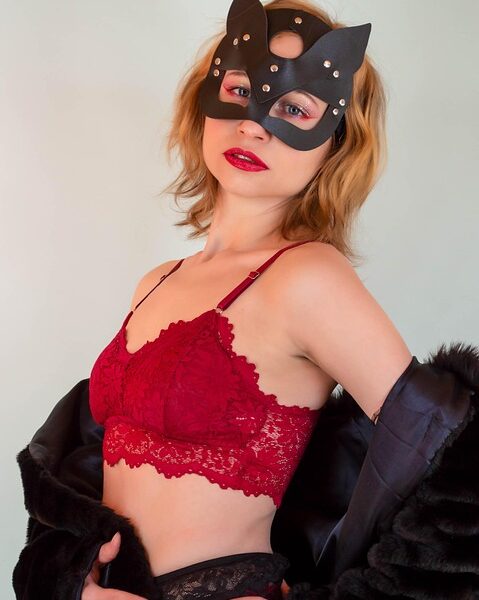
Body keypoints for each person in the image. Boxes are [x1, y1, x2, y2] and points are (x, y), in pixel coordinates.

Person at [12, 1, 479, 599]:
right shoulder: (158, 281)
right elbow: (88, 468)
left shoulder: (307, 277)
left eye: (295, 109)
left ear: (335, 145)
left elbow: (450, 446)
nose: (254, 125)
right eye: (240, 89)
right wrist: (73, 580)